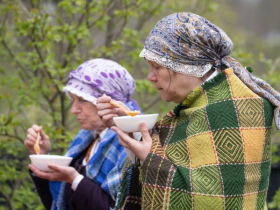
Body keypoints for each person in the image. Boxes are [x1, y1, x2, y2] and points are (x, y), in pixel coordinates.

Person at [96, 12, 280, 210]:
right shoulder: (197, 104)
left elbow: (213, 201)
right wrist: (132, 131)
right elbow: (174, 169)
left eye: (156, 67)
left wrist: (151, 157)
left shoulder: (239, 106)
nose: (150, 76)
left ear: (185, 64)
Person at [24, 58, 140, 210]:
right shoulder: (86, 138)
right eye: (73, 100)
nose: (73, 110)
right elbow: (59, 203)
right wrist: (42, 156)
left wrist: (75, 180)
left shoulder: (132, 144)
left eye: (82, 100)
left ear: (110, 103)